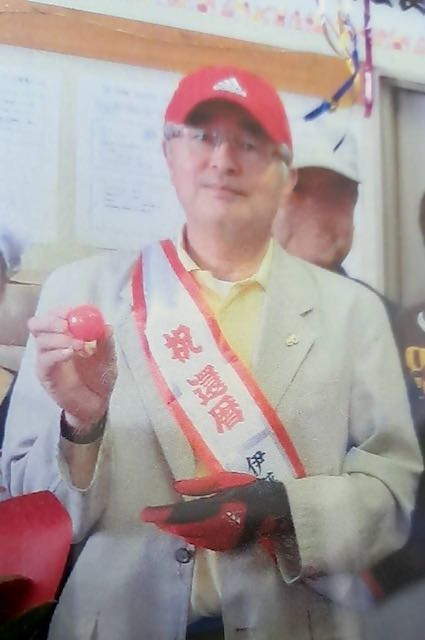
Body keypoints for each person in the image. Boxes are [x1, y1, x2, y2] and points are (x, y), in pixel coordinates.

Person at [1, 65, 421, 640]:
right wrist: (82, 425)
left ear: (283, 174)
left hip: (294, 622)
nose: (223, 160)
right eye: (203, 136)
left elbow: (394, 490)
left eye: (248, 144)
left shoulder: (355, 313)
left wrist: (284, 513)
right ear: (169, 153)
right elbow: (29, 507)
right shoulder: (80, 292)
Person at [272, 121, 359, 274]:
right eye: (298, 188)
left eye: (333, 193)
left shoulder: (366, 295)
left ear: (354, 200)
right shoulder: (232, 287)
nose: (314, 210)